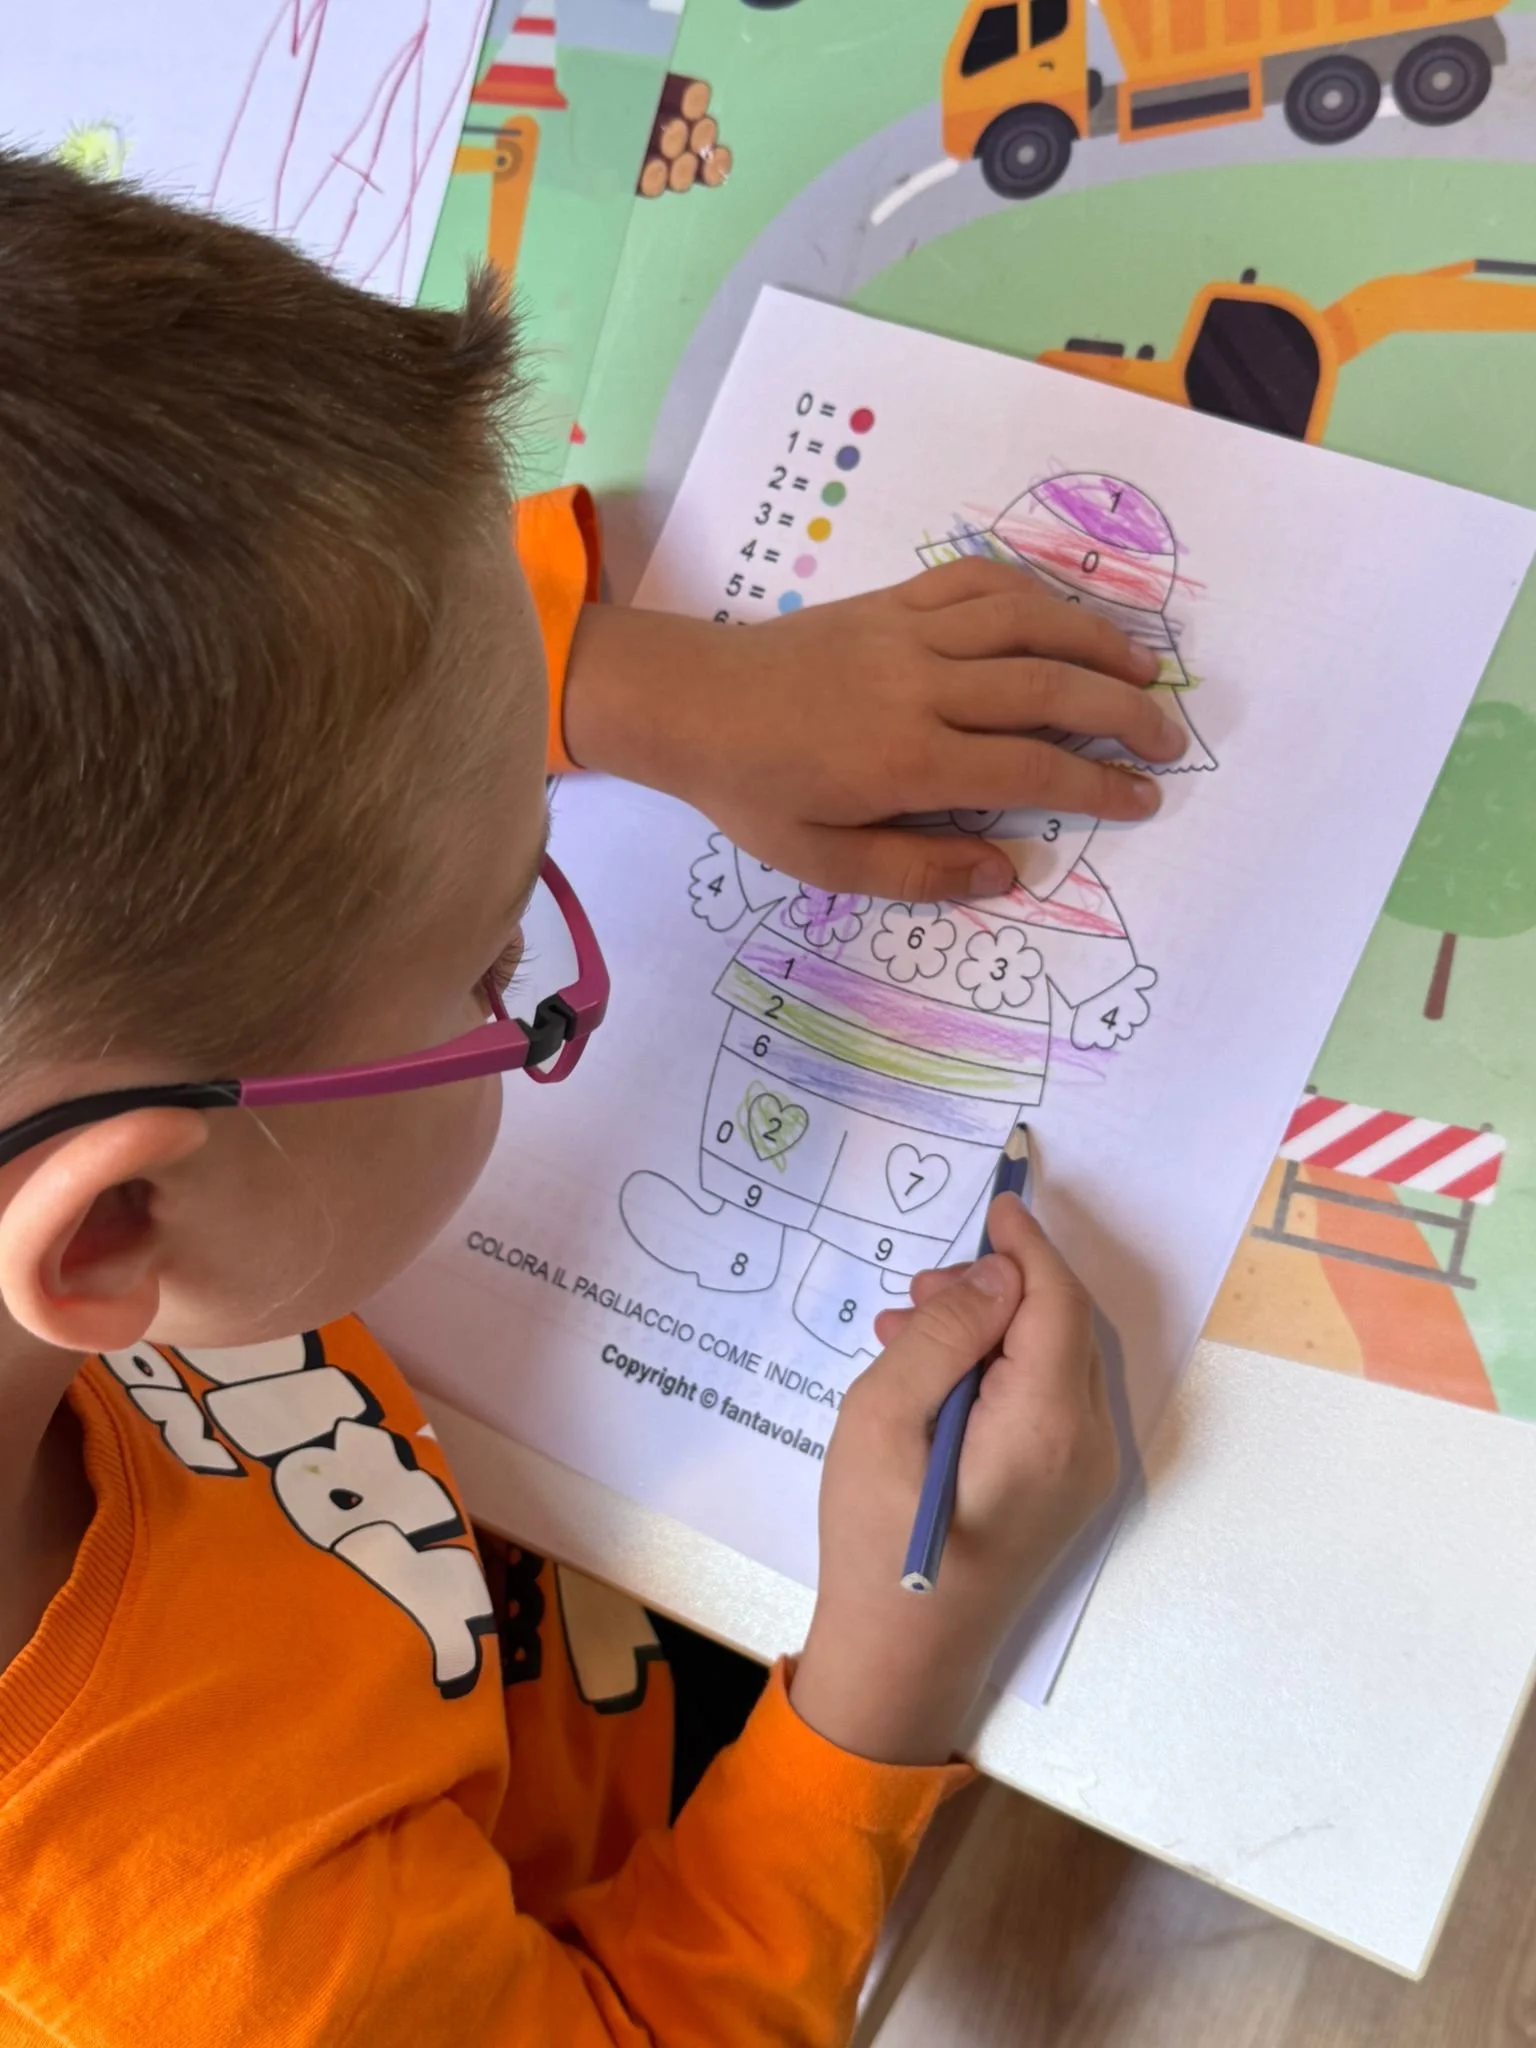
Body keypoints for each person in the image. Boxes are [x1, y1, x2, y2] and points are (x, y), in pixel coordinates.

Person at [0, 153, 1173, 2044]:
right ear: (120, 1225)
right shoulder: (221, 1968)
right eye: (495, 972)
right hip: (660, 1778)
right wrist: (890, 1668)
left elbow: (146, 652)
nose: (528, 973)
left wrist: (635, 686)